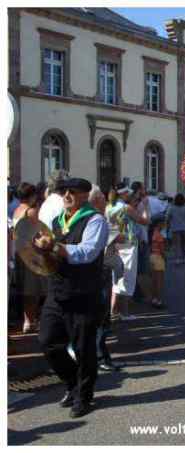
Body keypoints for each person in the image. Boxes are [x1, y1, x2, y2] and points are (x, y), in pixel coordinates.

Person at [36, 177, 109, 418]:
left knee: (83, 347)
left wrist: (55, 247)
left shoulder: (95, 220)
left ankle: (84, 396)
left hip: (83, 293)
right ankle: (73, 384)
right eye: (63, 192)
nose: (66, 195)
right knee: (48, 342)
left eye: (72, 192)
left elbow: (87, 252)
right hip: (57, 291)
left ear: (84, 195)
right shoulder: (57, 221)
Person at [89, 185, 122, 372]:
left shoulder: (98, 218)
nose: (105, 199)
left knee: (101, 318)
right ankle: (100, 357)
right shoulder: (97, 220)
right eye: (102, 197)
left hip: (100, 273)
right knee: (101, 318)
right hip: (100, 273)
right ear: (95, 201)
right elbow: (107, 247)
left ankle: (101, 355)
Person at [106, 183, 146, 321]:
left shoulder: (109, 206)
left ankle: (113, 311)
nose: (130, 195)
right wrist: (146, 206)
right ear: (123, 194)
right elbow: (145, 221)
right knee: (128, 276)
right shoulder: (126, 207)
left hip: (114, 242)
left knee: (116, 277)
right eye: (127, 193)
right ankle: (125, 312)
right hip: (128, 243)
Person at [11, 182, 45, 333]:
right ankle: (30, 321)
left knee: (25, 289)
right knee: (33, 289)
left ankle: (27, 320)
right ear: (32, 196)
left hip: (18, 252)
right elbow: (38, 233)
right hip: (30, 253)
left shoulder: (17, 210)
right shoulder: (31, 211)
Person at [166, 194, 185, 264]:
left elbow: (167, 217)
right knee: (184, 244)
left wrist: (167, 225)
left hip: (175, 228)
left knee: (176, 245)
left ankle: (177, 259)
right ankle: (184, 258)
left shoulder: (171, 208)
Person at [149, 219, 167, 309]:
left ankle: (154, 299)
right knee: (159, 282)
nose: (164, 225)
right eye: (163, 223)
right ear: (159, 224)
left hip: (152, 256)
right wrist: (165, 258)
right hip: (158, 257)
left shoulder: (152, 234)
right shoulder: (159, 236)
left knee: (154, 281)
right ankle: (159, 300)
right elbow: (162, 250)